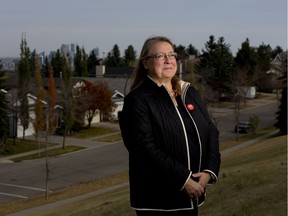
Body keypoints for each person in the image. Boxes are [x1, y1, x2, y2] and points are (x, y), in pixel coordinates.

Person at [119, 36, 221, 216]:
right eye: (160, 55)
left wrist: (208, 171)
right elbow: (143, 148)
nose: (168, 60)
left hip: (193, 193)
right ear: (146, 63)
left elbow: (211, 131)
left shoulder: (189, 92)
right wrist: (183, 180)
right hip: (159, 201)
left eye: (171, 55)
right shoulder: (137, 100)